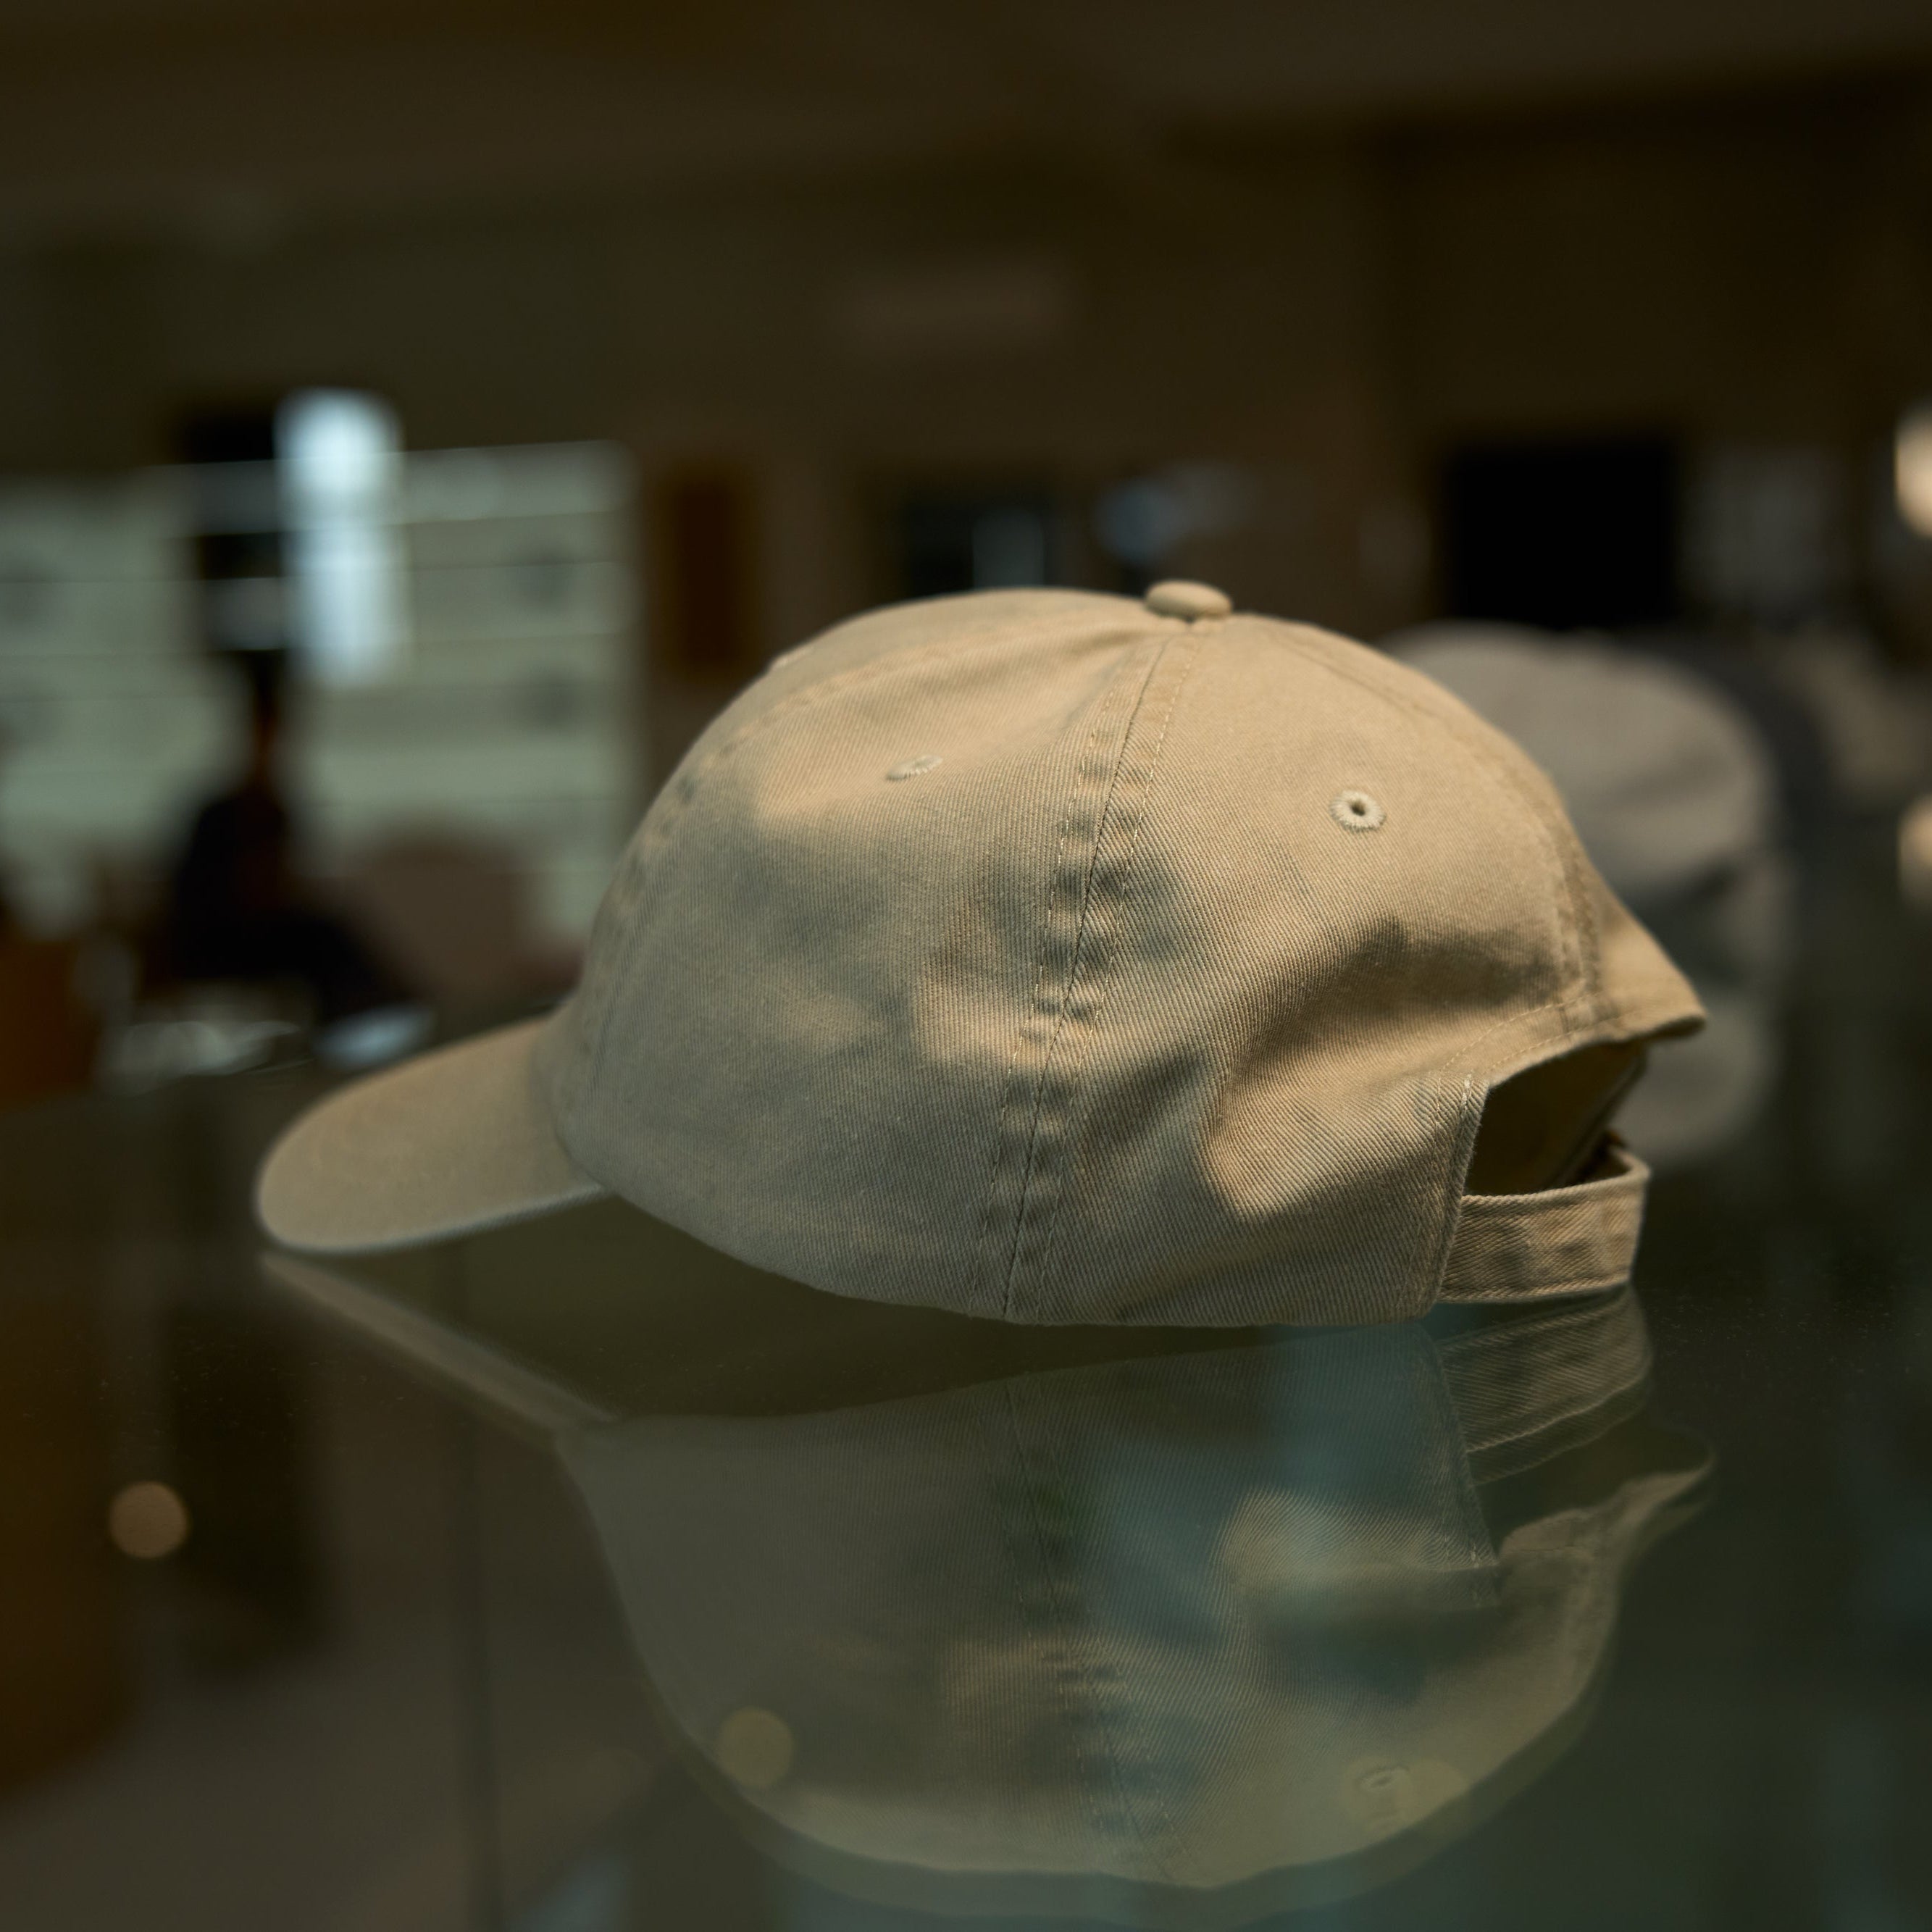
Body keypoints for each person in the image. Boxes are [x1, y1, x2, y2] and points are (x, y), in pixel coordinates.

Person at [157, 651, 407, 1028]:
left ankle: (380, 1011)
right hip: (224, 942)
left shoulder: (273, 808)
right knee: (327, 940)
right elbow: (218, 898)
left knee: (332, 935)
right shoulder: (224, 812)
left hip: (258, 937)